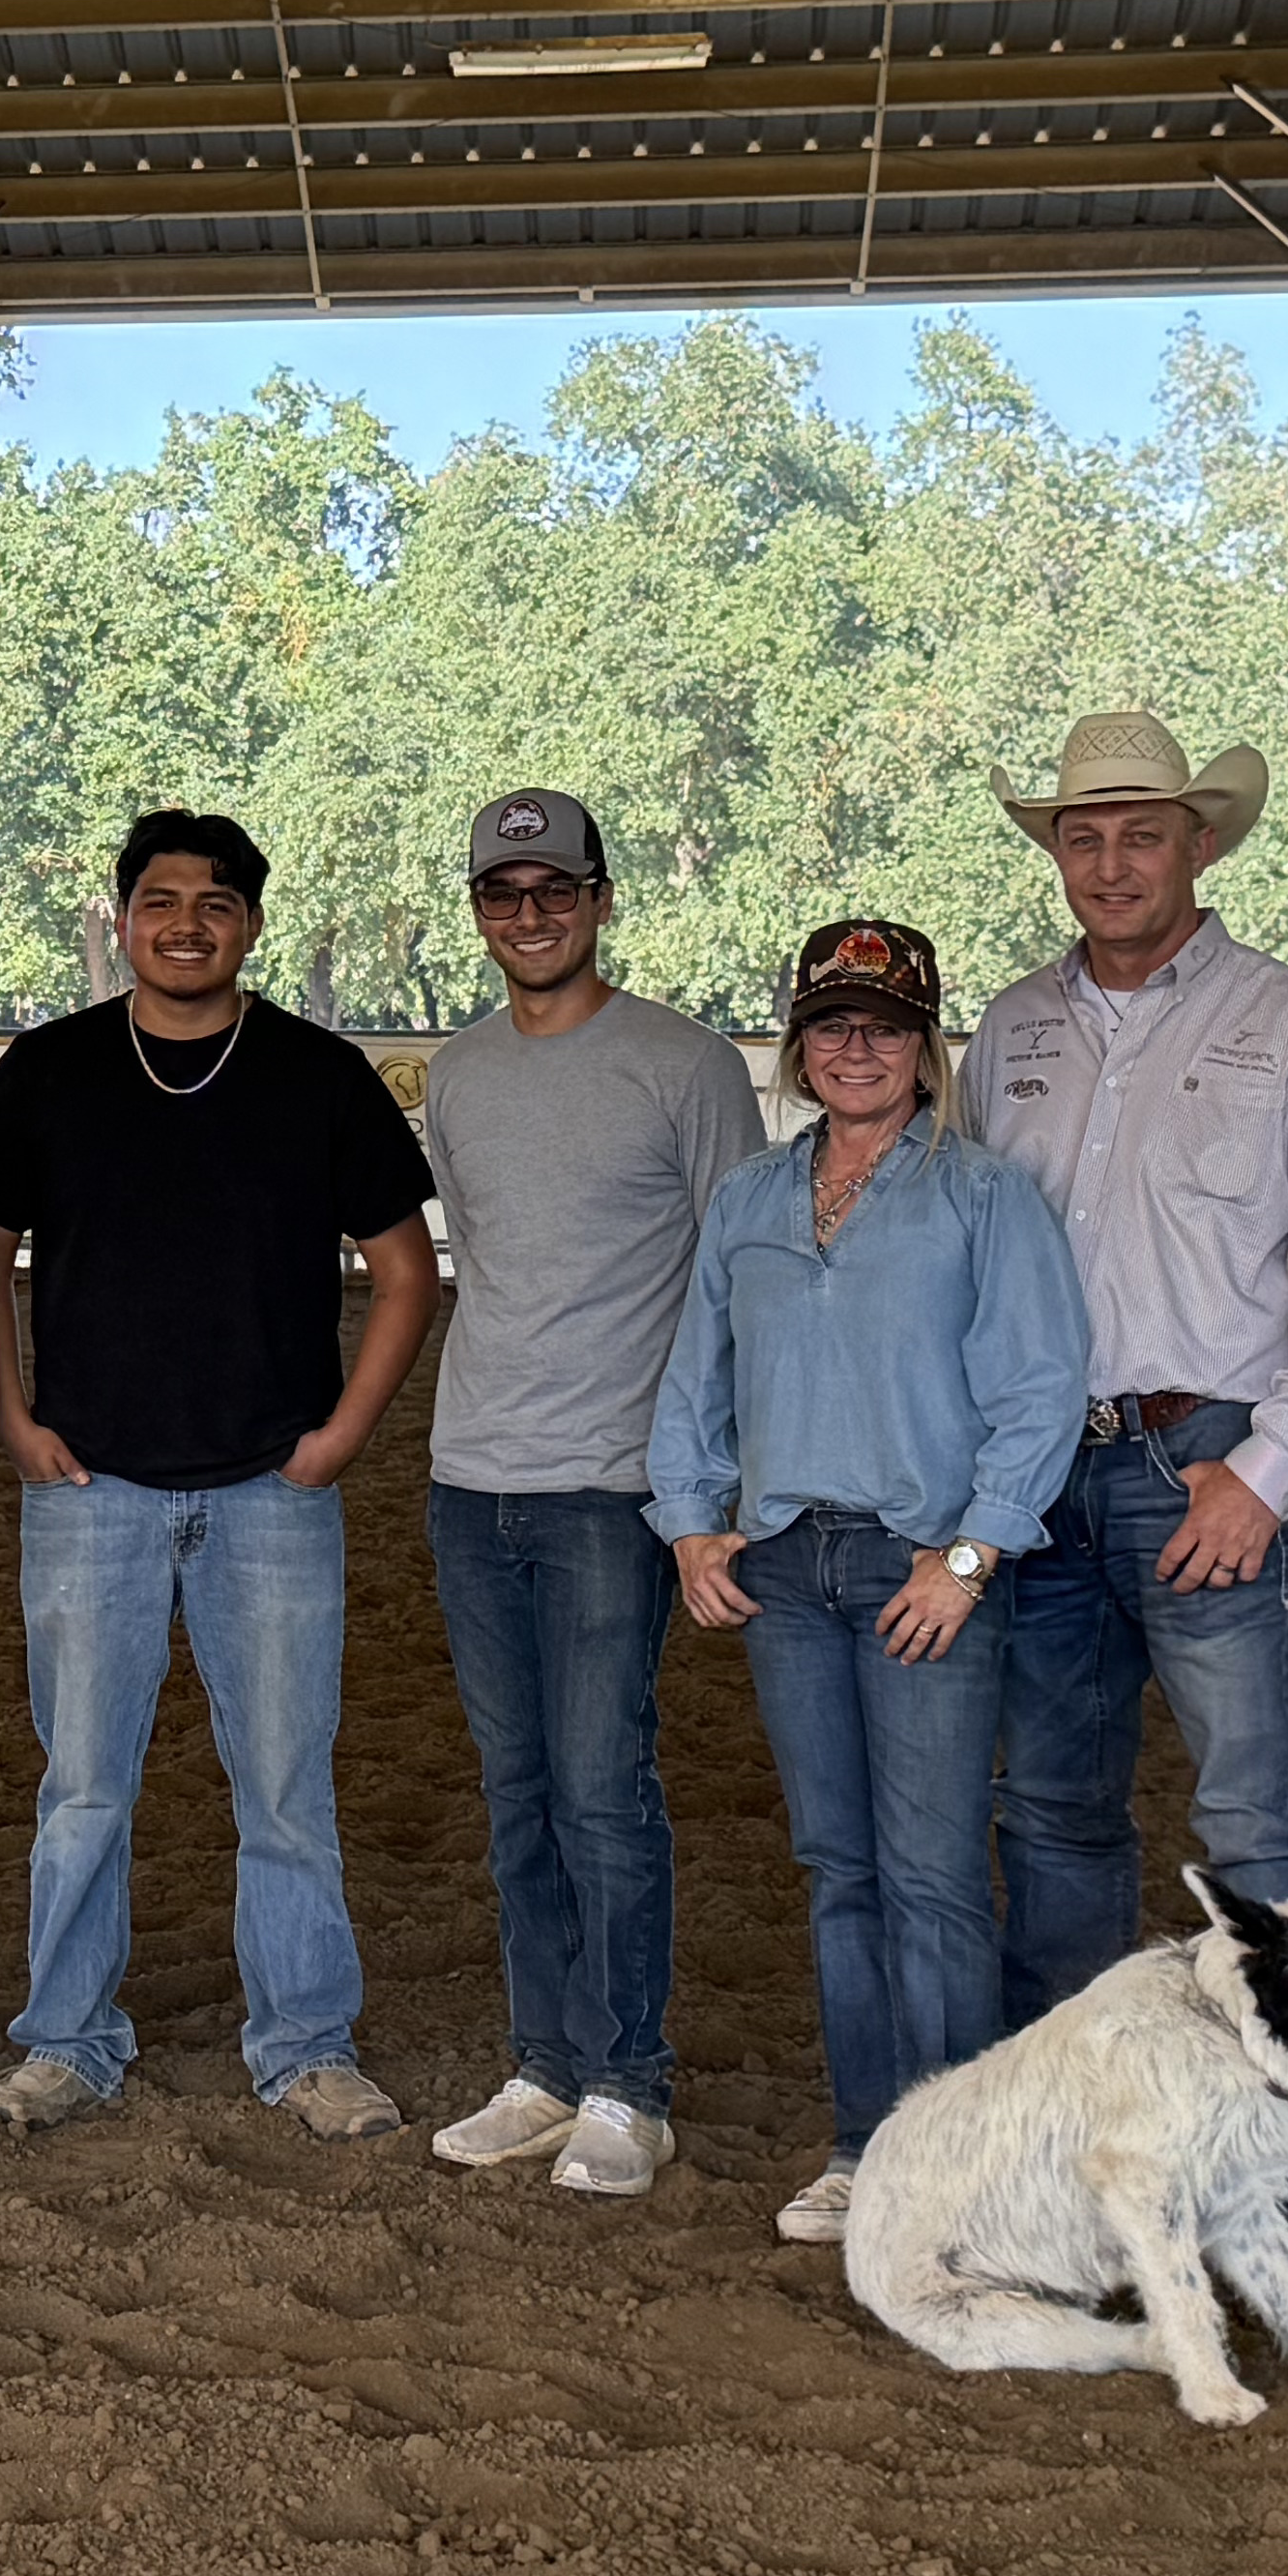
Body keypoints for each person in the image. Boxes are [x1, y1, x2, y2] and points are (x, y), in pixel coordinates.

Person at [0, 808, 437, 2141]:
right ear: (121, 918)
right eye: (160, 900)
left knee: (287, 1783)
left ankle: (306, 2043)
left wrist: (341, 1437)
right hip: (89, 1486)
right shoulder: (47, 1073)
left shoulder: (317, 1076)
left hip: (271, 1493)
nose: (186, 924)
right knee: (82, 1785)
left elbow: (406, 1272)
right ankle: (65, 2039)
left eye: (215, 903)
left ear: (251, 924)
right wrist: (12, 1416)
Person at [959, 710, 1288, 2027]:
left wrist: (1265, 1476)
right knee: (1048, 1810)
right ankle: (1071, 2129)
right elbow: (972, 1258)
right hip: (1043, 1472)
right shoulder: (1013, 1032)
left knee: (1258, 1816)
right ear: (1055, 852)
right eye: (1082, 837)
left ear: (1199, 845)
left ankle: (1287, 2163)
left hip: (1205, 1457)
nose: (1110, 864)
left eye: (1140, 835)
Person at [648, 917, 1090, 2247]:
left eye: (885, 1026)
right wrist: (688, 1522)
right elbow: (694, 1380)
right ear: (798, 1045)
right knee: (841, 1866)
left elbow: (1041, 1389)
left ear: (925, 1047)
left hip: (923, 1569)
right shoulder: (751, 1203)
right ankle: (861, 2146)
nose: (858, 1047)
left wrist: (971, 1555)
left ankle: (955, 2168)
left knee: (937, 1873)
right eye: (834, 1024)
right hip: (790, 1569)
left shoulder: (984, 1199)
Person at [409, 788, 767, 2202]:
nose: (532, 914)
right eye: (506, 895)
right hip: (469, 1479)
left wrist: (708, 1485)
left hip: (615, 1490)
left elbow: (741, 1282)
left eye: (556, 890)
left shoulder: (684, 1065)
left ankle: (633, 2081)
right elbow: (484, 1259)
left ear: (603, 898)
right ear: (482, 912)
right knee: (517, 1792)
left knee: (604, 1789)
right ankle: (543, 2066)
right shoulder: (460, 1075)